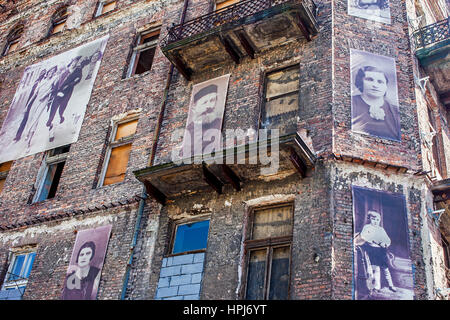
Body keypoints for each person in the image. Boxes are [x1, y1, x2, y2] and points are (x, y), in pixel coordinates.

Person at [352, 66, 401, 141]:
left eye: (380, 82)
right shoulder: (352, 103)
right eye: (370, 80)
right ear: (361, 82)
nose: (375, 85)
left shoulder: (395, 111)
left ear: (385, 86)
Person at [359, 210, 397, 294]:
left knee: (385, 268)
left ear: (379, 220)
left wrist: (385, 243)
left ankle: (391, 285)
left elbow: (387, 240)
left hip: (381, 250)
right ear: (369, 219)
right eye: (373, 219)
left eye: (377, 220)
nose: (375, 221)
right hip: (372, 250)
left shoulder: (381, 229)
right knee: (376, 269)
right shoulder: (367, 227)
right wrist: (372, 240)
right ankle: (377, 286)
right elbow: (363, 237)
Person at [182, 84, 223, 157]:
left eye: (212, 100)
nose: (209, 106)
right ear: (194, 107)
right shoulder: (189, 130)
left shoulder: (219, 122)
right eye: (204, 102)